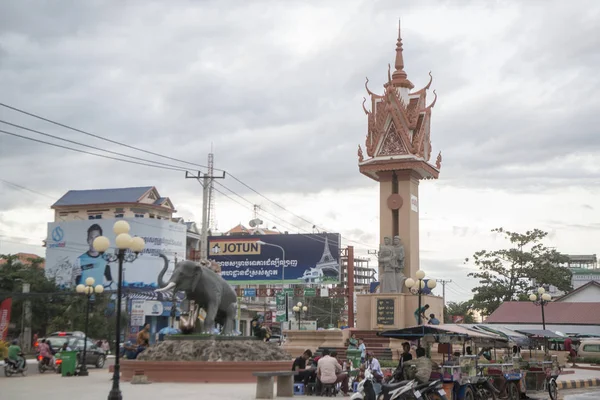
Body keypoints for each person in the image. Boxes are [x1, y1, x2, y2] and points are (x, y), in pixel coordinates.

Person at [73, 224, 113, 288]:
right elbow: (74, 283)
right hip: (82, 297)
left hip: (99, 297)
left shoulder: (105, 258)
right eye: (91, 238)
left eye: (97, 238)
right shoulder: (80, 260)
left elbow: (109, 280)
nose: (94, 241)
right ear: (87, 240)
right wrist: (73, 278)